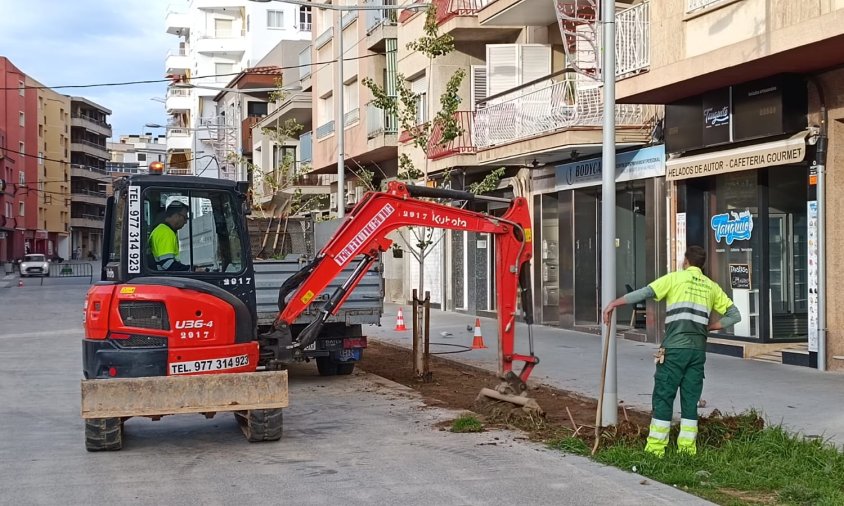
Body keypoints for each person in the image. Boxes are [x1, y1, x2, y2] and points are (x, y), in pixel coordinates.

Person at [602, 245, 741, 457]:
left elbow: (645, 292)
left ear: (686, 261)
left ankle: (656, 450)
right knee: (690, 399)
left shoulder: (675, 279)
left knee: (664, 396)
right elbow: (734, 314)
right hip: (697, 351)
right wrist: (710, 327)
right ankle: (687, 450)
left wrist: (614, 303)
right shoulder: (711, 287)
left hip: (675, 348)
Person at [149, 201, 191, 271]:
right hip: (163, 278)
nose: (186, 222)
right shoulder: (166, 233)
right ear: (176, 216)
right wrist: (190, 269)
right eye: (185, 217)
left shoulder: (161, 229)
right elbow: (167, 264)